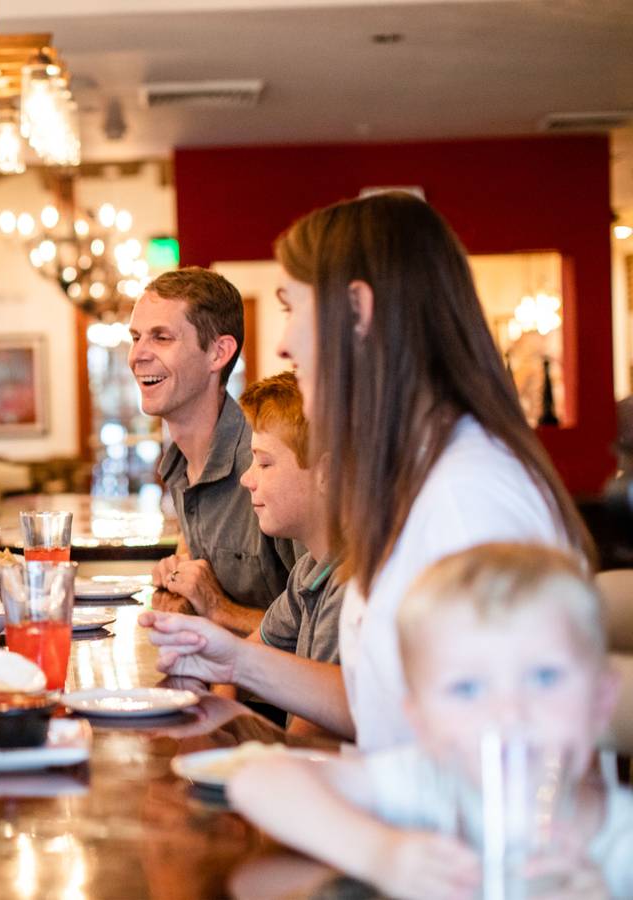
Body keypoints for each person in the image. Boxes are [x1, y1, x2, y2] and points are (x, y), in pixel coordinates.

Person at [140, 192, 590, 748]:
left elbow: (482, 766)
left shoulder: (464, 496)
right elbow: (384, 701)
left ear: (357, 309)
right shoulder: (412, 472)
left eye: (291, 307)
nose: (283, 341)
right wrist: (233, 659)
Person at [228, 544, 630, 899]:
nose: (508, 713)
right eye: (468, 689)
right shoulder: (432, 784)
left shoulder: (622, 843)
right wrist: (382, 854)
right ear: (419, 719)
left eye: (544, 677)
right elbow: (259, 780)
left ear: (601, 699)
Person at [169, 373, 345, 732]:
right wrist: (214, 726)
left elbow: (310, 737)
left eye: (264, 464)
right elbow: (250, 653)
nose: (247, 479)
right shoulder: (309, 570)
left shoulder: (349, 585)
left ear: (326, 473)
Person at [130, 267, 297, 616]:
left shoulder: (268, 458)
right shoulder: (179, 462)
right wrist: (180, 579)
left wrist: (218, 608)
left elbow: (324, 631)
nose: (137, 355)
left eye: (161, 337)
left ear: (218, 353)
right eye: (135, 338)